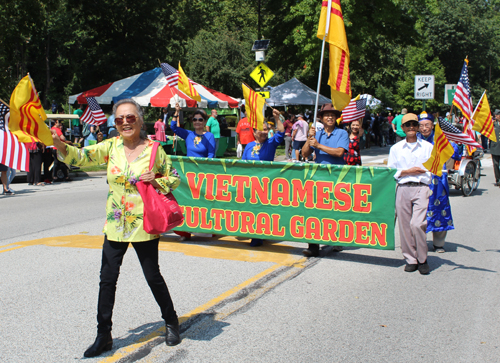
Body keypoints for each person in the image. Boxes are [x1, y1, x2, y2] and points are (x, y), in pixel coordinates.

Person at [51, 98, 182, 357]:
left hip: (144, 222)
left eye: (130, 118)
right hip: (115, 223)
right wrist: (58, 143)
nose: (124, 123)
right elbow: (81, 157)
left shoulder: (154, 149)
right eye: (119, 119)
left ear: (140, 120)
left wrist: (157, 180)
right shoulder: (111, 147)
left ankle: (171, 322)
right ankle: (104, 335)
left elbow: (174, 177)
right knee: (107, 280)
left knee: (152, 276)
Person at [301, 104, 349, 257]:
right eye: (326, 115)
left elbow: (339, 152)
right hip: (319, 178)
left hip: (337, 178)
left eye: (332, 115)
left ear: (336, 118)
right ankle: (313, 245)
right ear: (321, 118)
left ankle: (336, 238)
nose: (330, 117)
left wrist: (319, 145)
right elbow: (304, 153)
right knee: (314, 210)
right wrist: (310, 140)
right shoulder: (317, 134)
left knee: (335, 210)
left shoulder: (342, 133)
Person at [388, 113, 433, 274]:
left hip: (421, 187)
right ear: (403, 128)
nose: (411, 127)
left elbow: (432, 169)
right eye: (408, 125)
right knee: (405, 225)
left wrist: (417, 173)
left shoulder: (428, 147)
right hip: (403, 188)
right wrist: (408, 171)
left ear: (418, 127)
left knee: (417, 224)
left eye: (414, 124)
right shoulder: (396, 148)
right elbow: (392, 171)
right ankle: (410, 258)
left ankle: (422, 258)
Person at [417, 112, 461, 253]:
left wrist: (458, 142)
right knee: (419, 212)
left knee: (439, 210)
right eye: (421, 125)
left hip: (437, 181)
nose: (424, 128)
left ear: (432, 125)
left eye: (427, 125)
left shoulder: (440, 139)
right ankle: (419, 241)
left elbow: (455, 153)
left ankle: (438, 244)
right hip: (420, 180)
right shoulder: (414, 139)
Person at [171, 103, 215, 241]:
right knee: (186, 202)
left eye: (200, 119)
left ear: (204, 121)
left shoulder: (209, 136)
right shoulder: (188, 134)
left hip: (202, 175)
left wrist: (204, 169)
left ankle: (206, 229)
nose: (197, 122)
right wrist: (176, 112)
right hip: (188, 175)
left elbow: (211, 155)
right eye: (195, 119)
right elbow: (173, 127)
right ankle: (185, 232)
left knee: (201, 203)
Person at [242, 109, 285, 246]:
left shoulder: (271, 143)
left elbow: (282, 133)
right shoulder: (249, 146)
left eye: (266, 129)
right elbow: (242, 165)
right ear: (254, 132)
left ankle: (258, 236)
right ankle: (254, 232)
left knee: (261, 210)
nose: (264, 132)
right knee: (251, 209)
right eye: (261, 129)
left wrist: (277, 118)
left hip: (265, 184)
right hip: (250, 183)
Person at [490, 110, 500, 187]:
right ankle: (498, 179)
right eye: (495, 115)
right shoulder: (493, 124)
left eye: (497, 115)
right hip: (495, 147)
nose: (495, 116)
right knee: (495, 164)